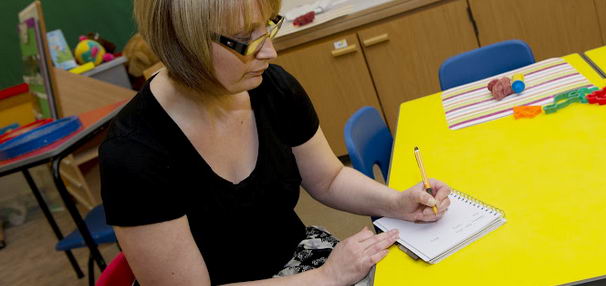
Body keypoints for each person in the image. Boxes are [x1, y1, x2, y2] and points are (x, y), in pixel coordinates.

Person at [99, 0, 452, 285]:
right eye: (245, 38)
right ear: (184, 46)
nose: (270, 52)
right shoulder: (134, 155)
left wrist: (396, 203)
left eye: (267, 26)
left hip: (302, 262)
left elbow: (328, 178)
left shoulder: (270, 87)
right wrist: (327, 277)